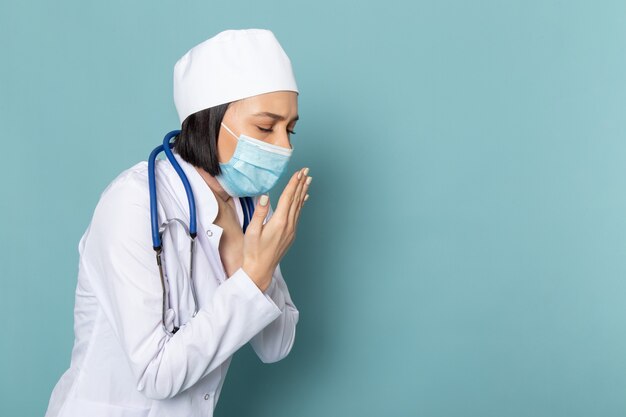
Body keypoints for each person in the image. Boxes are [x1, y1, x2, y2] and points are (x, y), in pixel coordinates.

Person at [44, 28, 310, 417]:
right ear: (208, 121)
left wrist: (256, 264)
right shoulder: (134, 203)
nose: (284, 147)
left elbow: (275, 346)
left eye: (290, 129)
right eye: (265, 127)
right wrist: (252, 278)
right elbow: (156, 375)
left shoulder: (247, 209)